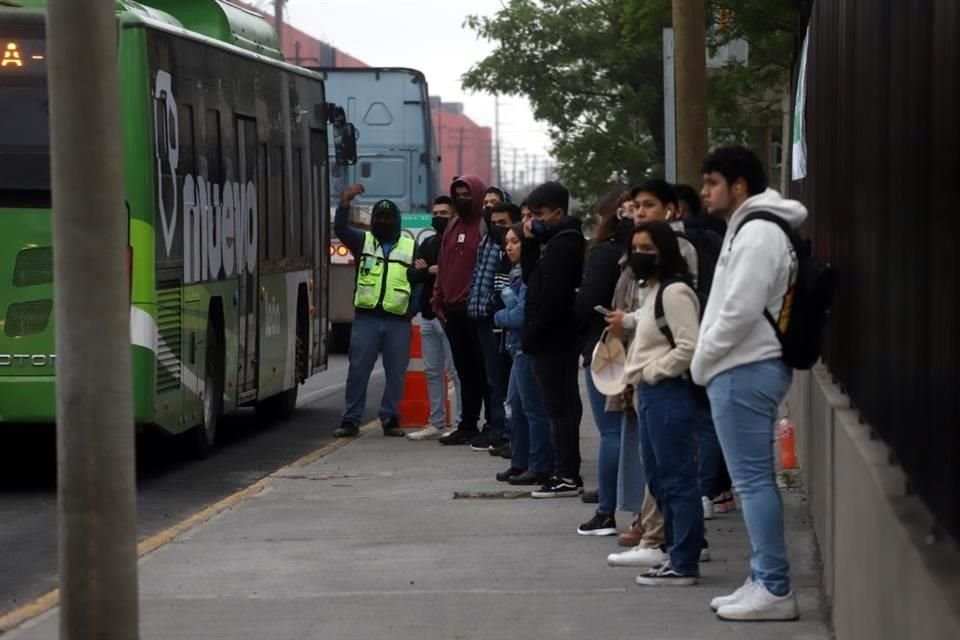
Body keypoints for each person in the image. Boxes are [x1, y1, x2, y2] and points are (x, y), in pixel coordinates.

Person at [692, 145, 807, 621]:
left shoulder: (758, 232)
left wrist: (702, 360)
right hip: (742, 366)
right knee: (751, 482)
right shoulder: (750, 228)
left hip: (743, 367)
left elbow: (738, 310)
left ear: (739, 185)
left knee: (753, 482)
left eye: (712, 182)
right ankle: (762, 577)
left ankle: (775, 588)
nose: (704, 192)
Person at [607, 221, 704, 586]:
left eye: (647, 249)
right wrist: (626, 320)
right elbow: (647, 321)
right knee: (661, 479)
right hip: (650, 395)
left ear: (665, 251)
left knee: (677, 478)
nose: (639, 256)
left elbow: (689, 345)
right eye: (635, 249)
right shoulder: (655, 290)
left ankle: (684, 560)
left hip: (667, 393)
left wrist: (653, 371)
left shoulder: (676, 292)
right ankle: (674, 553)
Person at [573, 188, 633, 535]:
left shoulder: (603, 252)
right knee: (627, 432)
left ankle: (606, 510)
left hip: (605, 347)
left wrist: (579, 302)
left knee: (610, 432)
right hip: (630, 345)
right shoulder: (638, 252)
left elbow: (588, 302)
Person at [333, 184, 414, 438]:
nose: (383, 222)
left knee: (396, 373)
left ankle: (390, 418)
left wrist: (413, 309)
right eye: (378, 217)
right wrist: (344, 204)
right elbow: (341, 230)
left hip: (398, 321)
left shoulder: (410, 247)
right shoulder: (363, 240)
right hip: (367, 319)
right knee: (358, 370)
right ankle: (351, 419)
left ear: (397, 221)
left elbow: (420, 281)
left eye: (388, 218)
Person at [521, 182, 586, 498]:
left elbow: (552, 298)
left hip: (554, 341)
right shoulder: (555, 242)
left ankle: (567, 474)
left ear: (558, 213)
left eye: (538, 215)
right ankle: (565, 471)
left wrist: (532, 332)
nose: (533, 221)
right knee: (558, 406)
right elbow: (532, 275)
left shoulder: (565, 246)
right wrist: (531, 243)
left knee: (559, 407)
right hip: (551, 340)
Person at [432, 175, 490, 445]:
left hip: (475, 311)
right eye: (458, 194)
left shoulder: (483, 226)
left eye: (467, 194)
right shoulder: (453, 225)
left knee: (484, 370)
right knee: (464, 371)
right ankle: (467, 424)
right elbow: (443, 264)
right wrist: (438, 297)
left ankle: (492, 424)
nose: (462, 199)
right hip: (452, 311)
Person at [493, 223, 553, 485]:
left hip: (526, 347)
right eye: (507, 242)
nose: (509, 247)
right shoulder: (515, 272)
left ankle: (539, 465)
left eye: (515, 241)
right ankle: (520, 462)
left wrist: (498, 314)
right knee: (515, 408)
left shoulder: (529, 274)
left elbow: (520, 315)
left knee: (532, 409)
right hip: (516, 347)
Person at [406, 196, 463, 441]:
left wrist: (431, 268)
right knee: (431, 371)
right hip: (428, 315)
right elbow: (413, 274)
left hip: (450, 316)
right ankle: (436, 421)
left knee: (455, 370)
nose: (438, 217)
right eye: (435, 212)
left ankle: (462, 422)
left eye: (444, 213)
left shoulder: (459, 242)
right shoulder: (428, 243)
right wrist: (428, 269)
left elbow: (457, 271)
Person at [467, 194, 520, 452]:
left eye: (503, 222)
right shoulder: (488, 244)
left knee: (508, 383)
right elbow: (480, 278)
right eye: (495, 221)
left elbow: (507, 293)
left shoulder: (513, 253)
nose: (497, 225)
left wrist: (495, 310)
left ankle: (511, 435)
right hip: (489, 322)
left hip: (507, 327)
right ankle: (500, 432)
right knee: (495, 381)